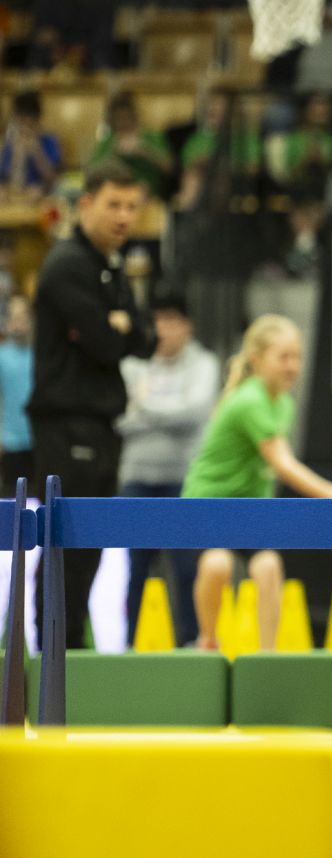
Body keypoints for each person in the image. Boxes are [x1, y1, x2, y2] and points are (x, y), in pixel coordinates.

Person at [30, 160, 157, 649]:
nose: (124, 216)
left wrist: (119, 326)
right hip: (67, 426)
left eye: (131, 206)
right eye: (113, 205)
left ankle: (73, 651)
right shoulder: (67, 265)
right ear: (85, 204)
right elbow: (108, 343)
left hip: (102, 426)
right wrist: (116, 327)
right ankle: (53, 656)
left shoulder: (111, 266)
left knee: (90, 547)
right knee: (65, 545)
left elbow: (144, 339)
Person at [187, 316, 332, 650]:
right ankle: (207, 641)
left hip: (252, 506)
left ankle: (267, 654)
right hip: (211, 501)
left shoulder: (283, 403)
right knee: (217, 563)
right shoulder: (250, 400)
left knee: (268, 566)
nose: (293, 366)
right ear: (256, 359)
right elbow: (283, 464)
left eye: (297, 357)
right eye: (284, 357)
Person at [118, 289, 219, 648]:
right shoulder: (132, 363)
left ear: (187, 325)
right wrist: (165, 413)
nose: (164, 329)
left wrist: (144, 408)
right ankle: (130, 647)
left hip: (185, 479)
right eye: (158, 320)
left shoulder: (204, 363)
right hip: (136, 478)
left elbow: (194, 413)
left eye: (172, 320)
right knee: (136, 570)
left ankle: (191, 645)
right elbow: (119, 419)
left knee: (187, 568)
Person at [91, 92, 173, 201]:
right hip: (116, 194)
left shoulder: (151, 137)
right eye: (118, 119)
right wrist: (115, 153)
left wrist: (144, 152)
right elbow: (92, 170)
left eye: (126, 117)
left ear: (135, 116)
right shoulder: (108, 142)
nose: (123, 122)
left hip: (152, 196)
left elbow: (169, 167)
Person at [0, 295, 33, 490]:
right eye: (13, 317)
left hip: (39, 442)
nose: (18, 322)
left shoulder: (42, 356)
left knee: (39, 500)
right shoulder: (1, 356)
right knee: (13, 500)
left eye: (22, 316)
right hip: (10, 443)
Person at [1, 90, 61, 196]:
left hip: (41, 197)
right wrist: (16, 155)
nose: (24, 126)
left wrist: (36, 151)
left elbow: (54, 180)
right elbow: (4, 178)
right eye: (20, 121)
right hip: (14, 197)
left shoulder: (49, 141)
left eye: (29, 122)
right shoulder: (10, 143)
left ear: (37, 119)